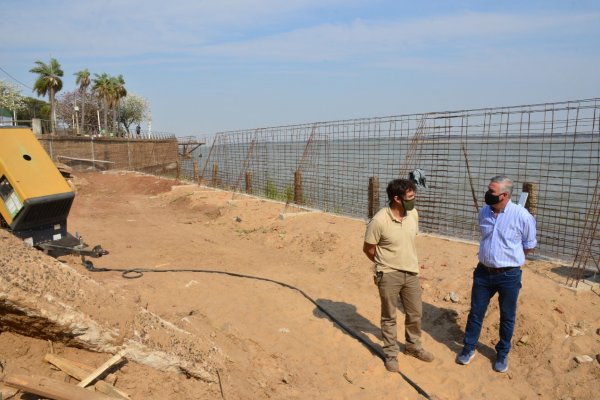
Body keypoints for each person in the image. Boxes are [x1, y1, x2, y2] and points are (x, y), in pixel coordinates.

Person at [456, 175, 537, 373]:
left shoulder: (522, 216)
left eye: (492, 192)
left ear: (505, 195)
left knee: (507, 316)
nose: (487, 194)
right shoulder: (483, 212)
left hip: (509, 276)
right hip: (483, 272)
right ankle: (468, 348)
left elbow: (528, 245)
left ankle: (502, 353)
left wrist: (509, 259)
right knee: (476, 312)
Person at [363, 179, 434, 373]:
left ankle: (413, 346)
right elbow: (368, 249)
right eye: (410, 197)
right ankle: (391, 353)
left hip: (411, 273)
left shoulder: (413, 215)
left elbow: (407, 241)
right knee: (389, 316)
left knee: (415, 313)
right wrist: (384, 266)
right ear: (396, 198)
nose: (414, 200)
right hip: (388, 274)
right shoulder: (379, 220)